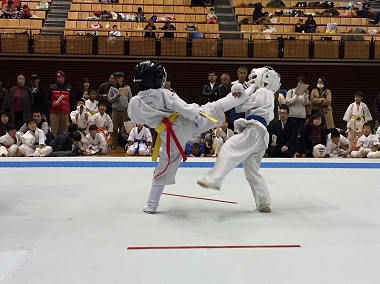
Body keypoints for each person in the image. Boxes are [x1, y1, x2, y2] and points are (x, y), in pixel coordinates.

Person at [128, 60, 250, 214]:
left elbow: (137, 120)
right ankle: (250, 91)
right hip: (184, 123)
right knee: (215, 107)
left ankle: (151, 205)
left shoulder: (134, 102)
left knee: (165, 166)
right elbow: (182, 107)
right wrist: (198, 119)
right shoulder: (164, 93)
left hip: (169, 135)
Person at [197, 66, 281, 213]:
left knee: (229, 147)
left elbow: (239, 107)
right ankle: (263, 203)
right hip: (260, 135)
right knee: (252, 171)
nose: (251, 81)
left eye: (254, 78)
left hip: (255, 130)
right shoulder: (266, 95)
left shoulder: (263, 92)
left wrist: (240, 90)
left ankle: (215, 178)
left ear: (265, 80)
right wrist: (238, 90)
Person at [47, 70, 74, 138]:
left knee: (65, 130)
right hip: (54, 112)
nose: (60, 79)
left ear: (64, 78)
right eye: (59, 77)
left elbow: (72, 100)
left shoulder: (69, 88)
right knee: (53, 130)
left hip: (65, 113)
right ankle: (53, 145)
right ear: (56, 78)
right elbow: (46, 99)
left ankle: (63, 145)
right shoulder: (51, 87)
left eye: (62, 77)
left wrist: (71, 112)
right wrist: (52, 103)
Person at [107, 71, 131, 149]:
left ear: (122, 78)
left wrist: (130, 111)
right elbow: (109, 100)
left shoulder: (127, 88)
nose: (117, 79)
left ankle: (127, 144)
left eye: (118, 77)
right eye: (116, 77)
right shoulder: (112, 88)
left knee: (126, 129)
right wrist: (116, 97)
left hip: (124, 111)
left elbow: (130, 100)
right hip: (115, 111)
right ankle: (113, 144)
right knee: (114, 128)